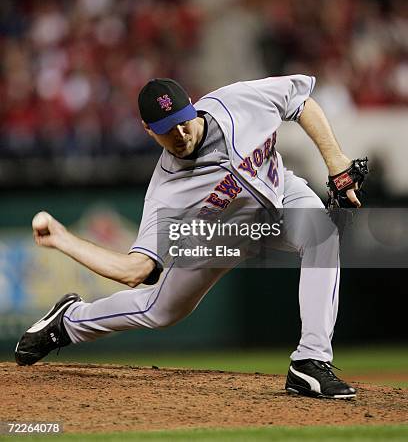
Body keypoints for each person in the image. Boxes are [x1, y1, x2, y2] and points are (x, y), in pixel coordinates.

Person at [15, 75, 362, 400]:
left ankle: (309, 363)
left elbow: (302, 101)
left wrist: (336, 162)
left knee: (322, 236)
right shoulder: (166, 193)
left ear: (193, 105)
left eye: (184, 119)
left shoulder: (239, 101)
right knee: (161, 311)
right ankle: (69, 321)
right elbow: (135, 270)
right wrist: (64, 240)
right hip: (221, 235)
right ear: (148, 131)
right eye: (167, 129)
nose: (180, 133)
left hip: (281, 194)